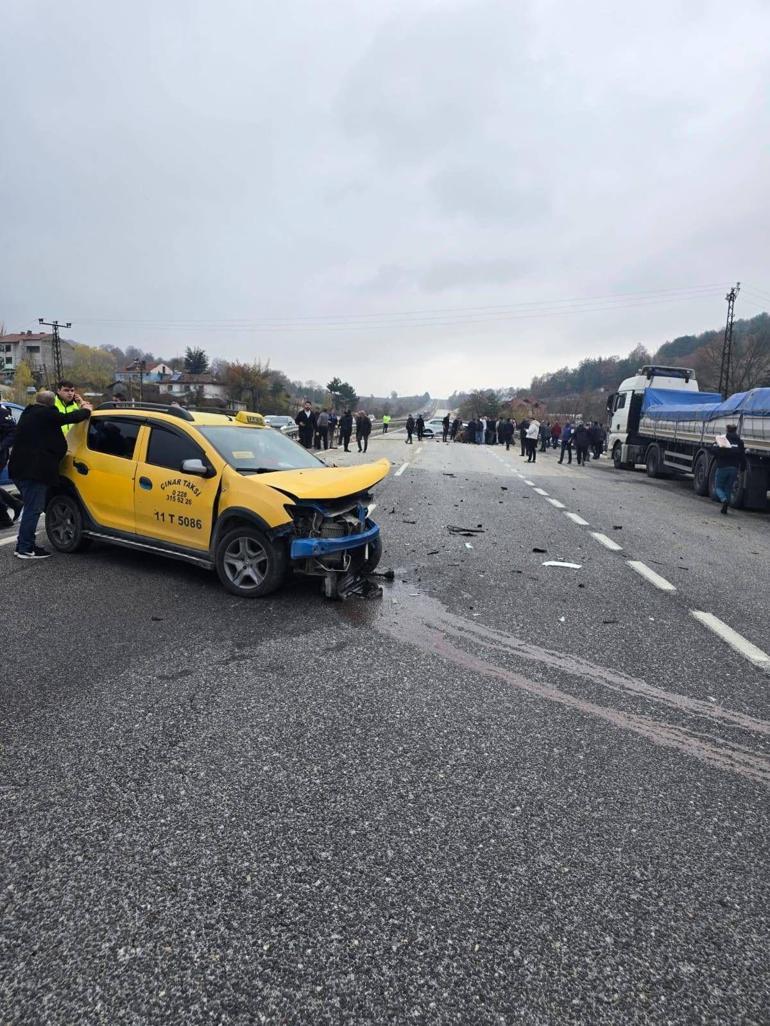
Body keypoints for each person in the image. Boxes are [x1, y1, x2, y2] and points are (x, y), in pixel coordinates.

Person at [9, 390, 92, 559]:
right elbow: (70, 418)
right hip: (35, 472)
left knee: (30, 508)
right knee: (33, 510)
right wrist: (86, 410)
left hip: (19, 470)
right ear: (51, 403)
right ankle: (25, 548)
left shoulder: (28, 413)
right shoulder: (47, 415)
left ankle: (23, 544)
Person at [710, 424, 746, 514]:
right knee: (728, 488)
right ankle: (725, 506)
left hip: (722, 467)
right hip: (734, 468)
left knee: (718, 486)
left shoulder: (722, 439)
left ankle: (724, 500)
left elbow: (714, 450)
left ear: (727, 430)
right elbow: (742, 456)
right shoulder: (740, 442)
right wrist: (742, 467)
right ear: (736, 430)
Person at [0, 405, 23, 527]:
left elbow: (13, 432)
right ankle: (14, 504)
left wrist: (1, 446)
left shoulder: (3, 413)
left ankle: (4, 517)